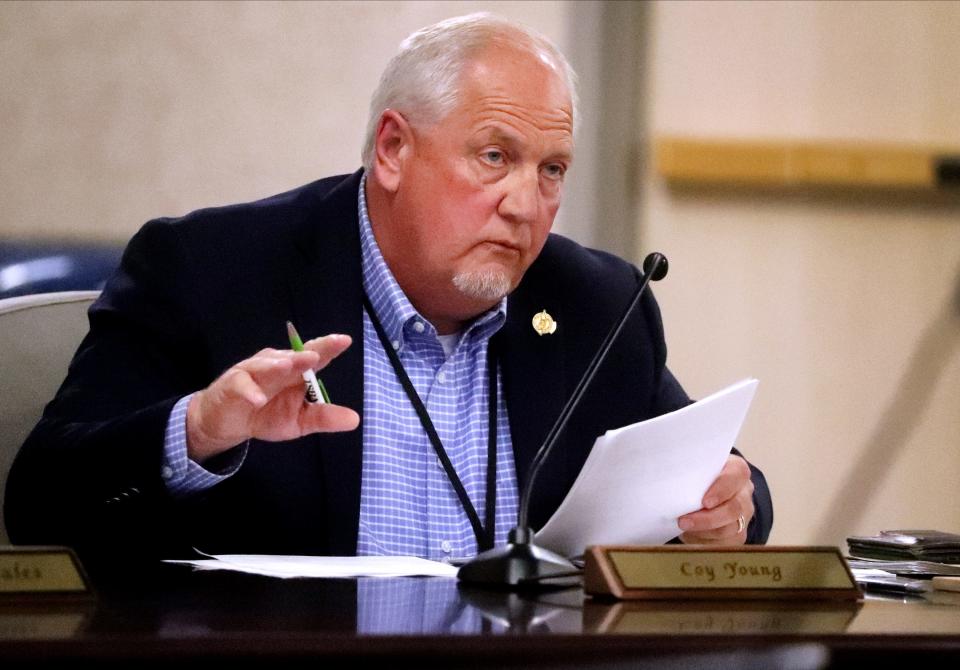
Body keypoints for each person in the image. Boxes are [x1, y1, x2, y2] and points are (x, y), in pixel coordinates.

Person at [5, 13, 771, 566]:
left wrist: (730, 507)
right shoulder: (211, 271)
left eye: (552, 170)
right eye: (495, 156)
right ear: (395, 148)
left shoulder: (593, 303)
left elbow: (721, 477)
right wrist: (198, 431)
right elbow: (40, 501)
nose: (525, 202)